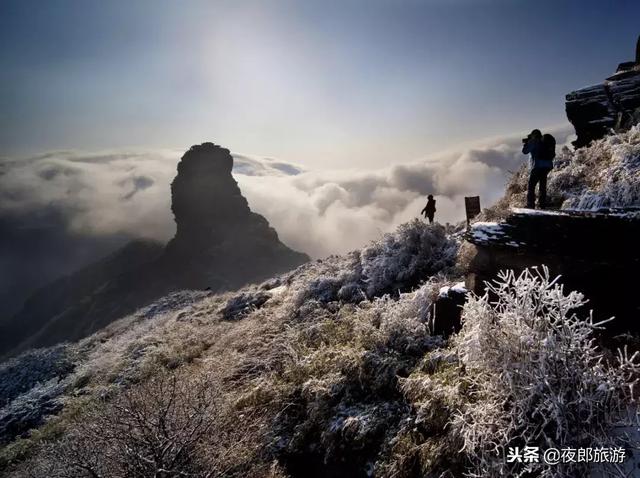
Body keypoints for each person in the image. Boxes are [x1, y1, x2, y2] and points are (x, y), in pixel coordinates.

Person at [522, 129, 554, 209]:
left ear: (533, 135)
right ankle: (542, 204)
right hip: (547, 166)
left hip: (537, 166)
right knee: (542, 185)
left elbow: (525, 151)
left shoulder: (534, 142)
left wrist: (527, 143)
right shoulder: (544, 142)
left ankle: (530, 204)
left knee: (531, 186)